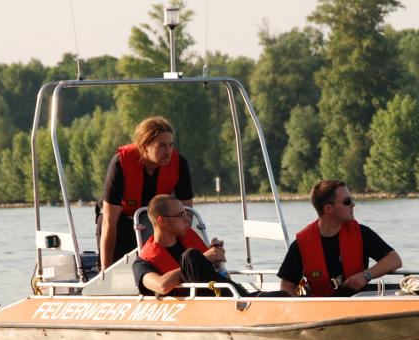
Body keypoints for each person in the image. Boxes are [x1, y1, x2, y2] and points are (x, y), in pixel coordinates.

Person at [133, 194, 288, 297]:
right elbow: (162, 286)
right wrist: (203, 259)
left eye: (185, 214)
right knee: (191, 256)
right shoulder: (143, 263)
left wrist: (217, 261)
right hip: (193, 307)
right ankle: (248, 298)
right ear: (162, 221)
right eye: (181, 215)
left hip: (225, 297)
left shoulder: (189, 242)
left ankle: (250, 298)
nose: (187, 220)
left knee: (284, 296)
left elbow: (221, 276)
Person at [97, 116, 193, 270]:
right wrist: (105, 272)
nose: (168, 152)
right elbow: (109, 222)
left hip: (155, 222)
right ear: (144, 147)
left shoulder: (179, 164)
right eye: (161, 146)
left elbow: (187, 215)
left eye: (170, 145)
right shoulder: (120, 164)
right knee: (115, 267)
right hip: (120, 222)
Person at [277, 179, 402, 297]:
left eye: (352, 200)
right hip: (321, 309)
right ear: (328, 208)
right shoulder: (302, 243)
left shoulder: (362, 233)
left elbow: (394, 260)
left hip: (357, 303)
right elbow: (287, 286)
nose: (353, 205)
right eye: (347, 201)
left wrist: (366, 275)